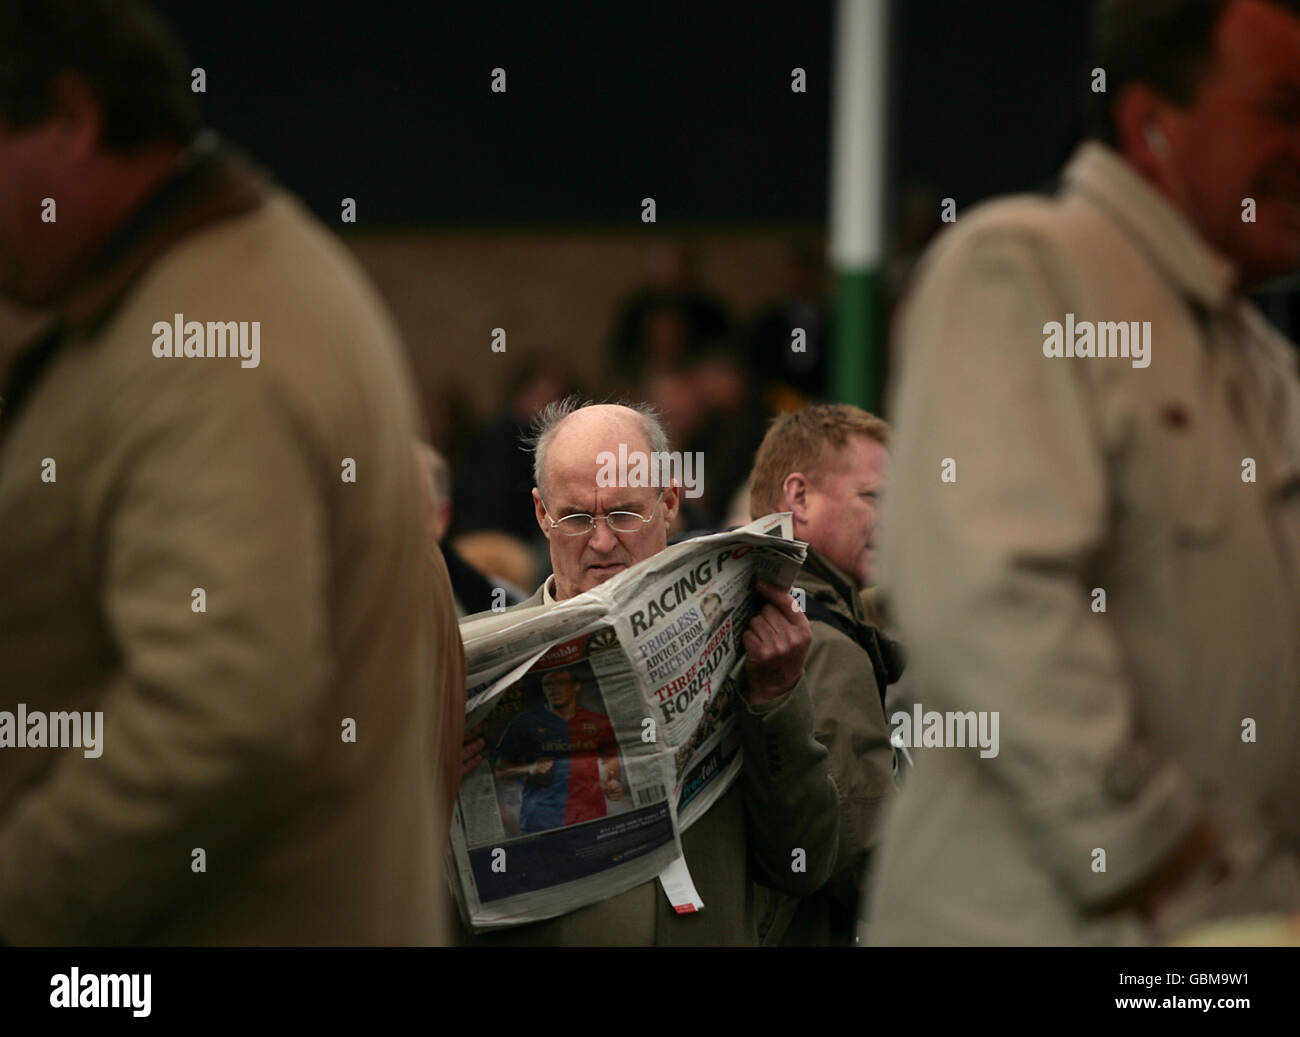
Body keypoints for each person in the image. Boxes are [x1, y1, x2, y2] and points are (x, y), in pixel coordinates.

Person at [0, 0, 461, 945]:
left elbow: (219, 714)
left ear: (73, 121)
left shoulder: (207, 340)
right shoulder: (206, 284)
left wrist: (20, 893)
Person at [870, 0, 1300, 945]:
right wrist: (1158, 849)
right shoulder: (1023, 268)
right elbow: (985, 600)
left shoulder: (1262, 362)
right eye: (1282, 108)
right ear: (1151, 121)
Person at [460, 399, 839, 945]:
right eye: (574, 518)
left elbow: (805, 862)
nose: (602, 541)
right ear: (542, 514)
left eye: (623, 513)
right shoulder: (471, 662)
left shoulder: (748, 642)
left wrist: (778, 699)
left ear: (669, 502)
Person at [747, 404, 902, 945]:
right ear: (798, 498)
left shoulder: (753, 614)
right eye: (873, 497)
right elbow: (871, 858)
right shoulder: (826, 645)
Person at [493, 670, 622, 834]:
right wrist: (529, 768)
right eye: (548, 684)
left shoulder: (599, 721)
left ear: (577, 686)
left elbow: (611, 759)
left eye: (561, 682)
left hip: (590, 817)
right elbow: (500, 771)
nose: (553, 689)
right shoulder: (524, 722)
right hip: (540, 821)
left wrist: (614, 780)